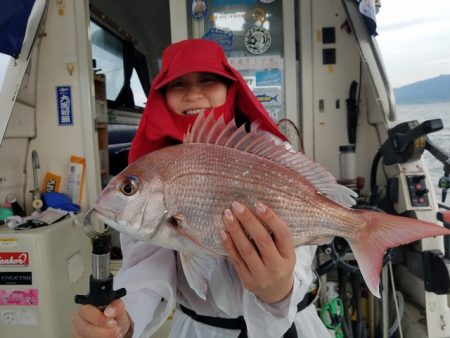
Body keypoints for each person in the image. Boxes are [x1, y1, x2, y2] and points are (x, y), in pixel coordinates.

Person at [72, 39, 330, 338]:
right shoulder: (154, 168)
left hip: (292, 327)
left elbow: (305, 234)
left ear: (229, 87)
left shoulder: (271, 152)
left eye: (208, 79)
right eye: (178, 84)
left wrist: (280, 289)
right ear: (162, 95)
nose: (194, 93)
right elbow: (147, 266)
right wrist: (123, 319)